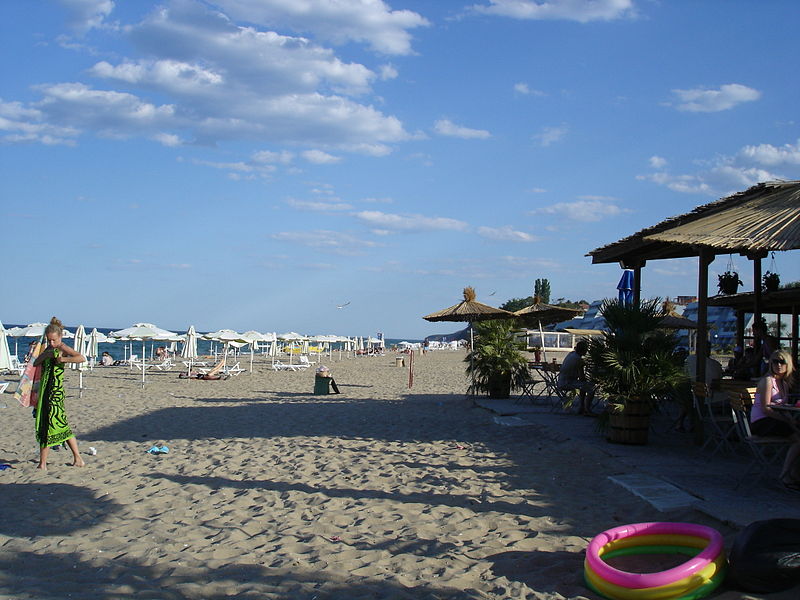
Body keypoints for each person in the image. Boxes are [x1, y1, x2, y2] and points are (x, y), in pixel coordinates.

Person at [32, 317, 86, 470]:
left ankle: (75, 458)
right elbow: (35, 363)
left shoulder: (62, 347)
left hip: (55, 393)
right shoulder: (48, 349)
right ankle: (45, 463)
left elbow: (81, 358)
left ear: (60, 337)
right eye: (49, 340)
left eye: (53, 340)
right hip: (45, 391)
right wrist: (47, 354)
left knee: (56, 424)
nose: (51, 343)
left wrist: (62, 359)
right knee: (46, 425)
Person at [751, 349, 800, 491]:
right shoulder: (768, 381)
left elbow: (781, 407)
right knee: (798, 439)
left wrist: (790, 418)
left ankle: (794, 473)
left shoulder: (783, 384)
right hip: (761, 422)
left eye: (782, 362)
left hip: (773, 420)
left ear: (788, 364)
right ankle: (786, 474)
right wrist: (788, 420)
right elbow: (766, 408)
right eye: (775, 361)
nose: (778, 365)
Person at [557, 340, 595, 415]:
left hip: (561, 381)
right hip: (567, 383)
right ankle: (587, 409)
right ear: (583, 350)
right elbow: (582, 377)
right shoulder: (578, 359)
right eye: (586, 350)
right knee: (591, 388)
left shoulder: (571, 354)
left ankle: (582, 407)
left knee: (583, 387)